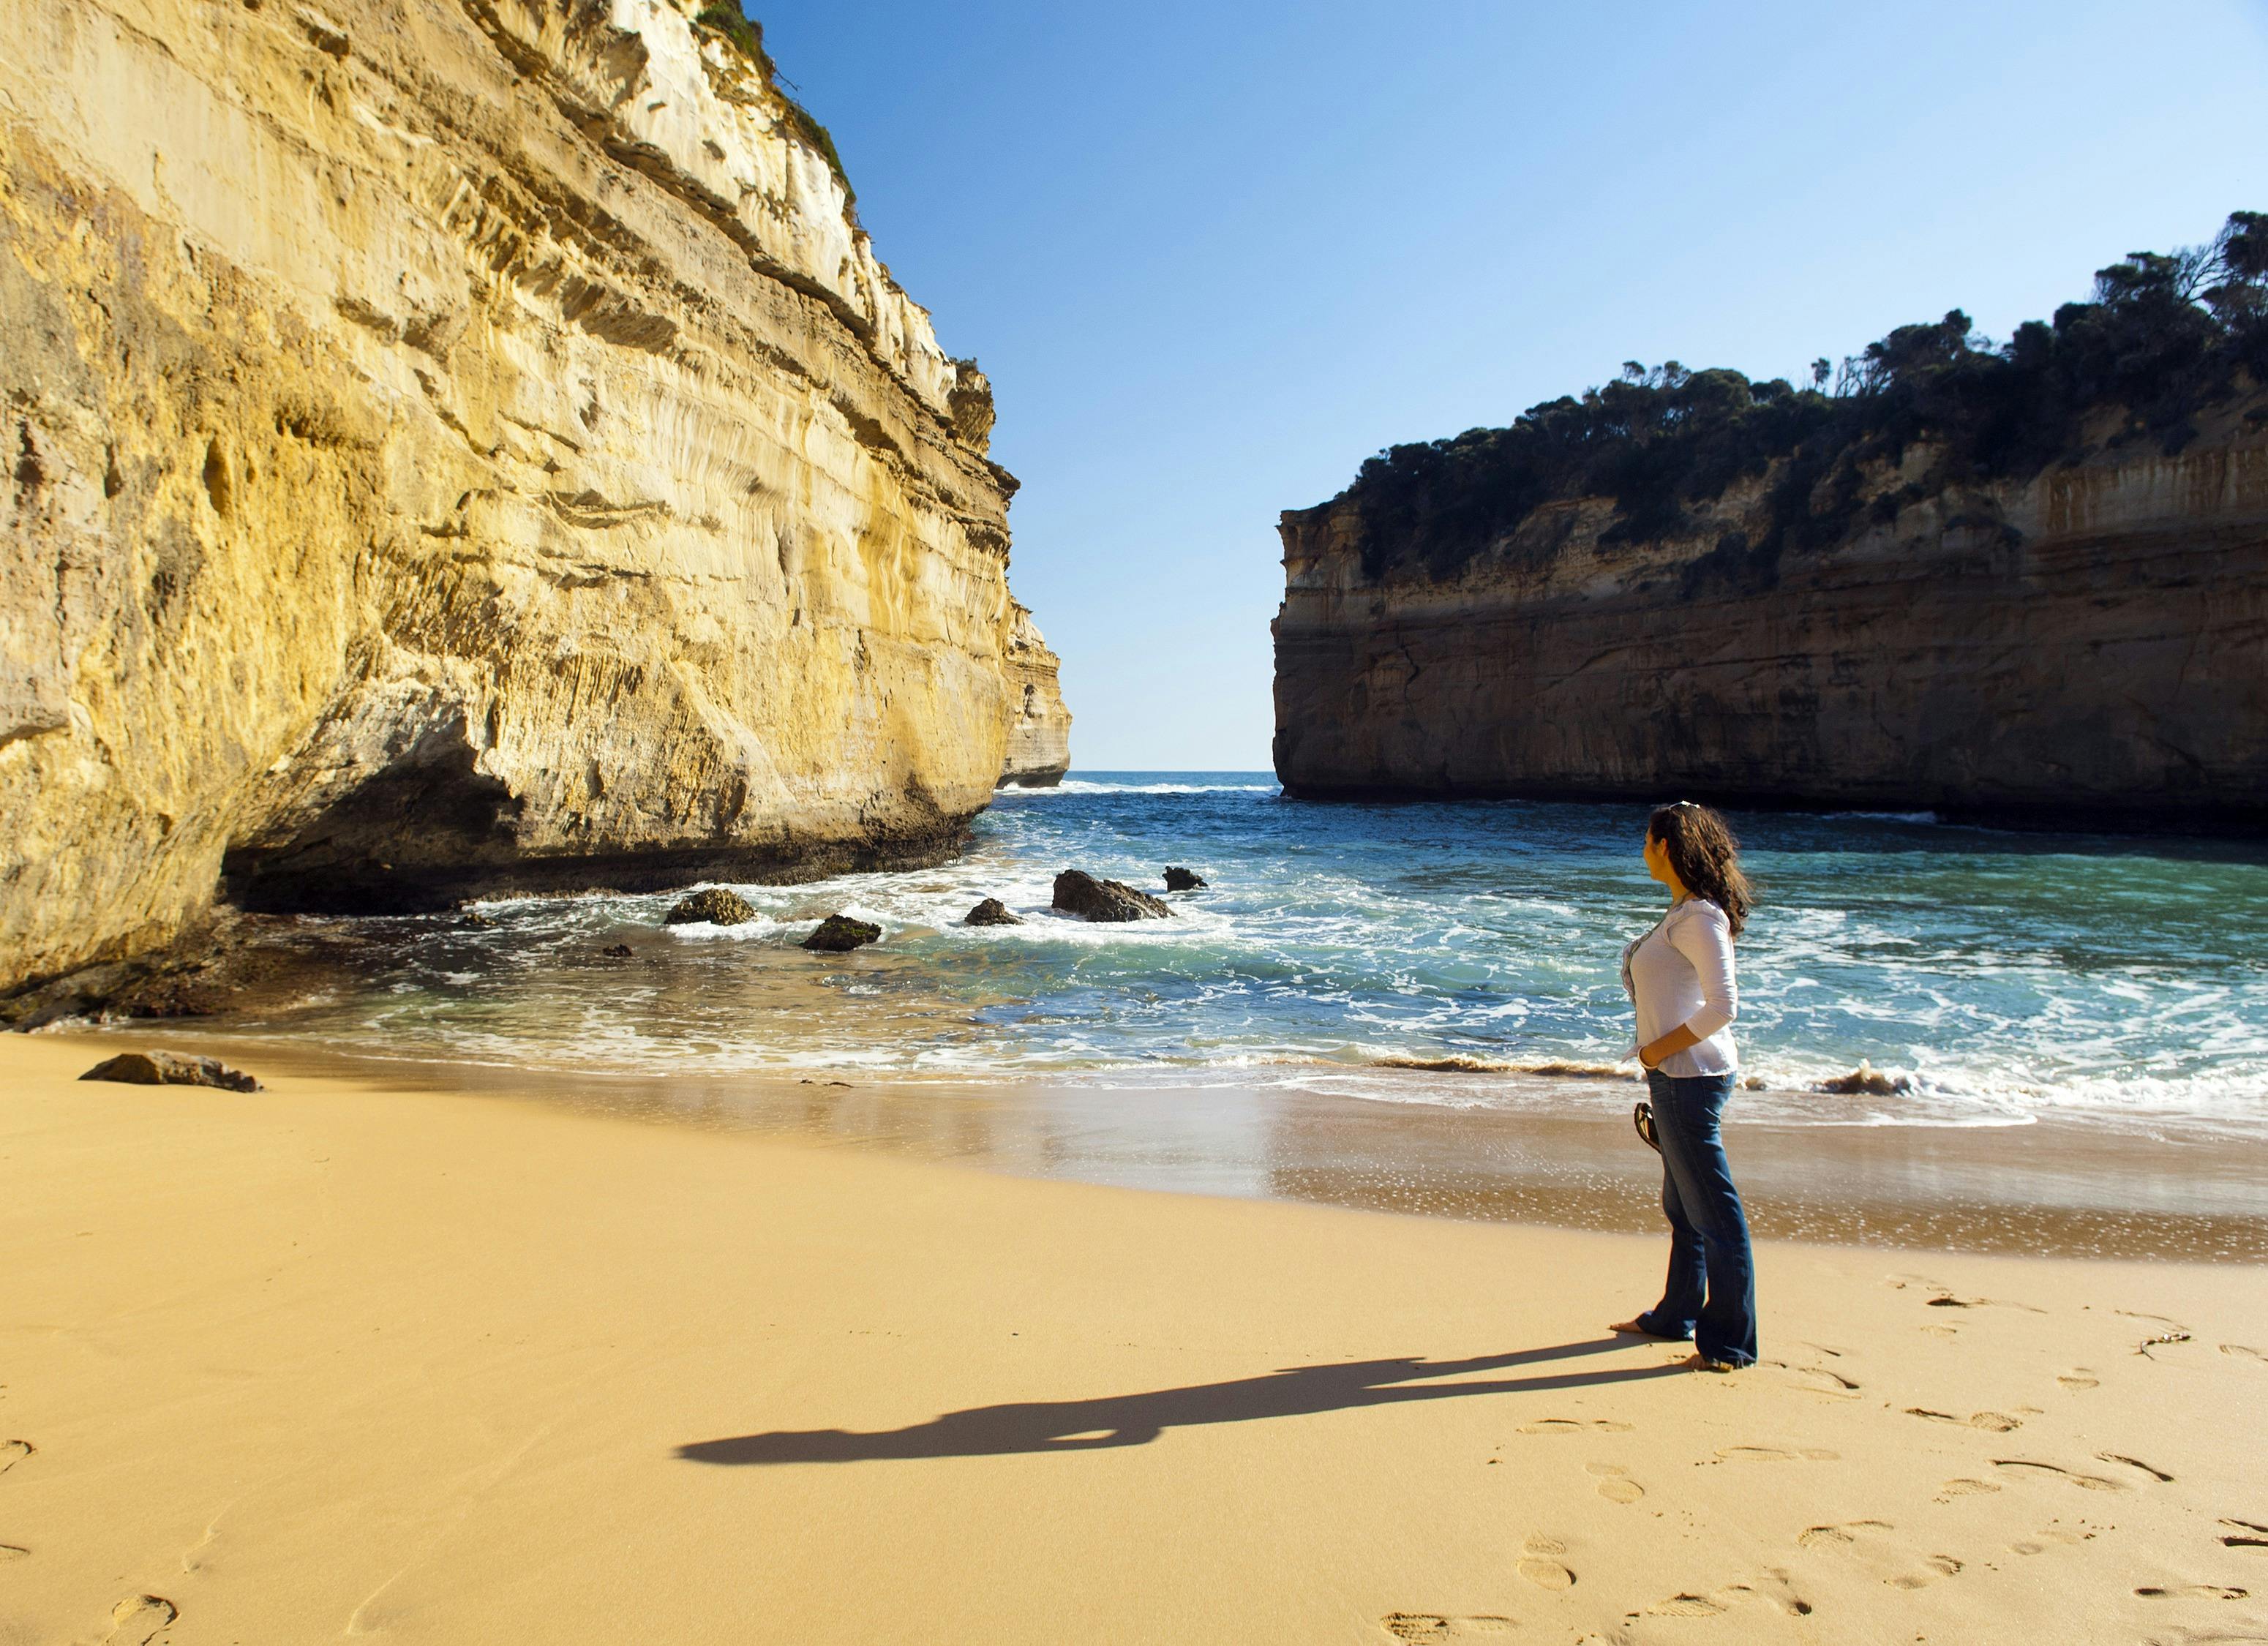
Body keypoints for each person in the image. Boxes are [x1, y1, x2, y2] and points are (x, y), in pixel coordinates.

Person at [1610, 800, 1757, 1372]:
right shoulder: (1682, 912)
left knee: (1714, 1212)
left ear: (1665, 847)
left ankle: (1729, 1345)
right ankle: (1675, 1315)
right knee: (1684, 1206)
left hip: (1690, 1077)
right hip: (1676, 1076)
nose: (1642, 850)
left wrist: (1656, 1051)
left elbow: (1724, 1006)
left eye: (1646, 841)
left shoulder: (1699, 917)